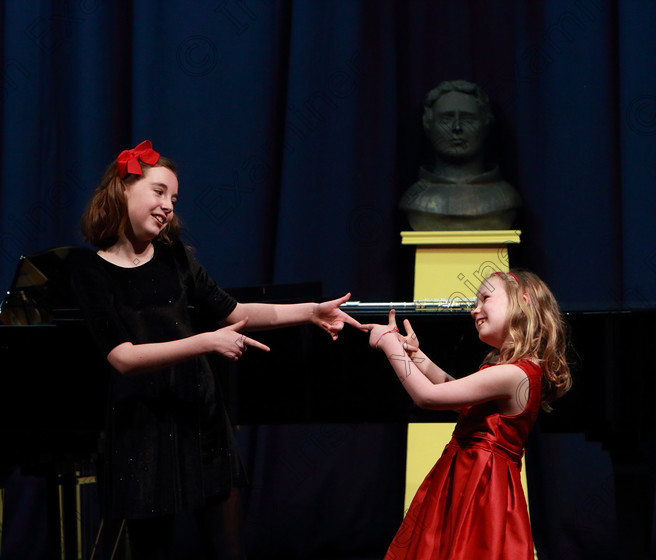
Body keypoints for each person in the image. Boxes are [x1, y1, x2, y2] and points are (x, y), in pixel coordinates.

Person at [69, 140, 363, 559]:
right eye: (158, 192)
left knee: (227, 549)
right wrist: (207, 342)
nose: (168, 205)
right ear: (123, 188)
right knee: (152, 549)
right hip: (141, 428)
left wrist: (310, 311)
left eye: (173, 198)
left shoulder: (173, 258)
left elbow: (236, 311)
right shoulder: (89, 270)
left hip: (197, 414)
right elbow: (123, 357)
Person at [366, 270, 571, 559]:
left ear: (522, 303)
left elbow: (428, 397)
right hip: (466, 480)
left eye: (485, 297)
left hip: (481, 491)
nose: (475, 308)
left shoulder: (514, 374)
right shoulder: (509, 370)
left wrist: (389, 345)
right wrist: (414, 355)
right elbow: (459, 397)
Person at [398, 79, 521, 231]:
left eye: (468, 119)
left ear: (486, 125)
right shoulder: (415, 199)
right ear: (428, 126)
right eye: (446, 119)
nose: (457, 127)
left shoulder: (507, 198)